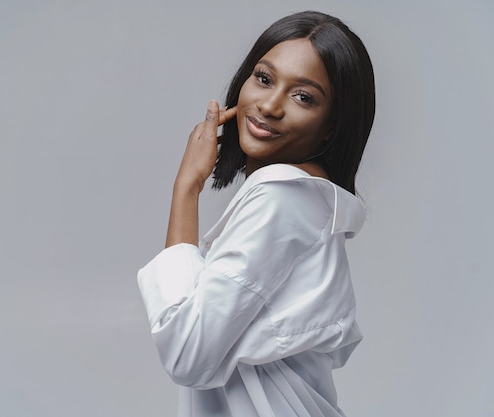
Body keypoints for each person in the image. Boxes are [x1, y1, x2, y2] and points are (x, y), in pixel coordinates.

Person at [137, 10, 375, 417]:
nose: (269, 105)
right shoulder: (308, 199)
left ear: (332, 125)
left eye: (303, 96)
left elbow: (186, 353)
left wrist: (187, 187)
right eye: (264, 78)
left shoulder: (281, 198)